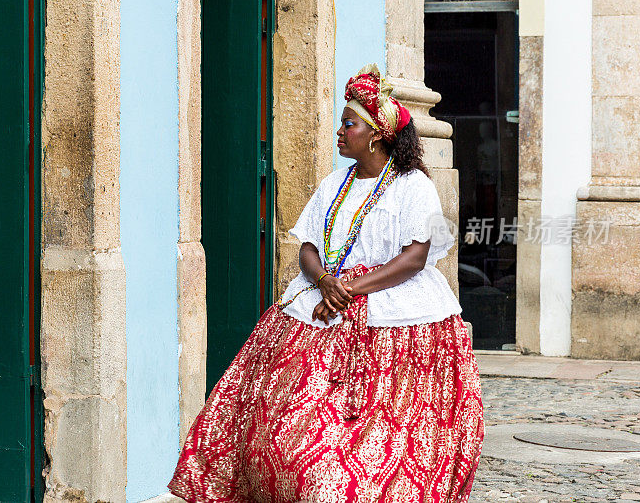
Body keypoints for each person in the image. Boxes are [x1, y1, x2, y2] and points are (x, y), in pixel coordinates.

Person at [168, 63, 484, 502]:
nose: (340, 130)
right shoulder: (333, 184)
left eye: (349, 123)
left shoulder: (414, 187)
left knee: (385, 433)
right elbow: (307, 246)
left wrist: (349, 289)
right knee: (289, 426)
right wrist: (323, 280)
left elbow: (415, 257)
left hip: (392, 313)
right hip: (318, 306)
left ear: (376, 133)